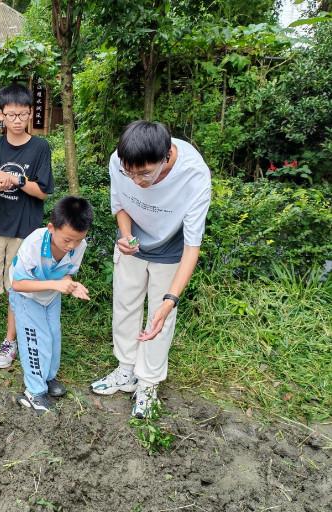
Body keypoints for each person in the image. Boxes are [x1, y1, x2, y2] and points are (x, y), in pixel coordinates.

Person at [90, 120, 211, 418]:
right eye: (130, 172)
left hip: (171, 250)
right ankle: (126, 369)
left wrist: (171, 300)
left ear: (167, 155)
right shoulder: (120, 162)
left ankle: (147, 383)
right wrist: (126, 235)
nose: (136, 180)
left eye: (144, 173)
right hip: (133, 246)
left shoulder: (194, 175)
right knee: (125, 306)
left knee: (160, 320)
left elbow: (192, 246)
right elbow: (119, 203)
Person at [0, 84, 54, 369]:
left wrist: (17, 181)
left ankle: (9, 342)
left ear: (30, 115)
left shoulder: (40, 148)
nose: (17, 120)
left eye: (23, 114)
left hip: (24, 231)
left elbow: (43, 191)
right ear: (0, 115)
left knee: (17, 288)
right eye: (11, 114)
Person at [11, 197, 93, 414]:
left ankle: (48, 378)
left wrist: (70, 285)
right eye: (67, 240)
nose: (72, 246)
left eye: (78, 240)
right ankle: (34, 392)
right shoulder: (34, 243)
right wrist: (57, 285)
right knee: (35, 340)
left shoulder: (79, 246)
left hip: (51, 295)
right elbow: (18, 284)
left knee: (53, 336)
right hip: (27, 296)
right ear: (51, 228)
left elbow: (67, 274)